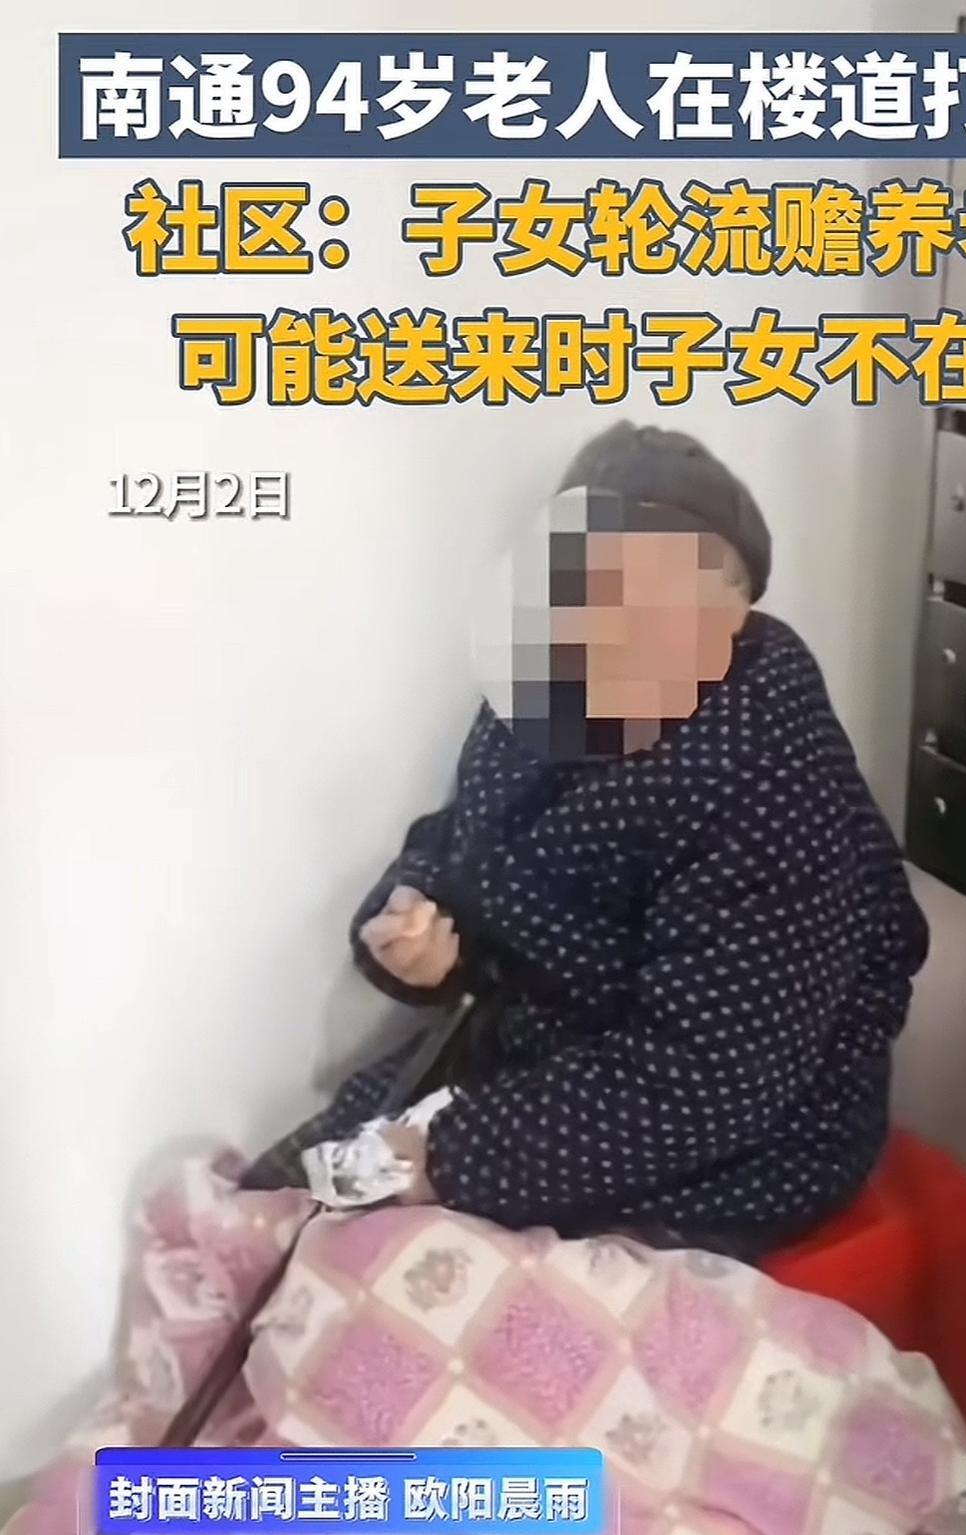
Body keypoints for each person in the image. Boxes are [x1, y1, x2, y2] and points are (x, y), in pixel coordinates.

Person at [251, 422, 928, 1263]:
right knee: (270, 1213)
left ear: (733, 612)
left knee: (385, 1285)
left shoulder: (771, 777)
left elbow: (711, 1080)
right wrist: (413, 936)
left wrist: (451, 1159)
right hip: (525, 1065)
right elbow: (455, 844)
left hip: (726, 1133)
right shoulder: (538, 696)